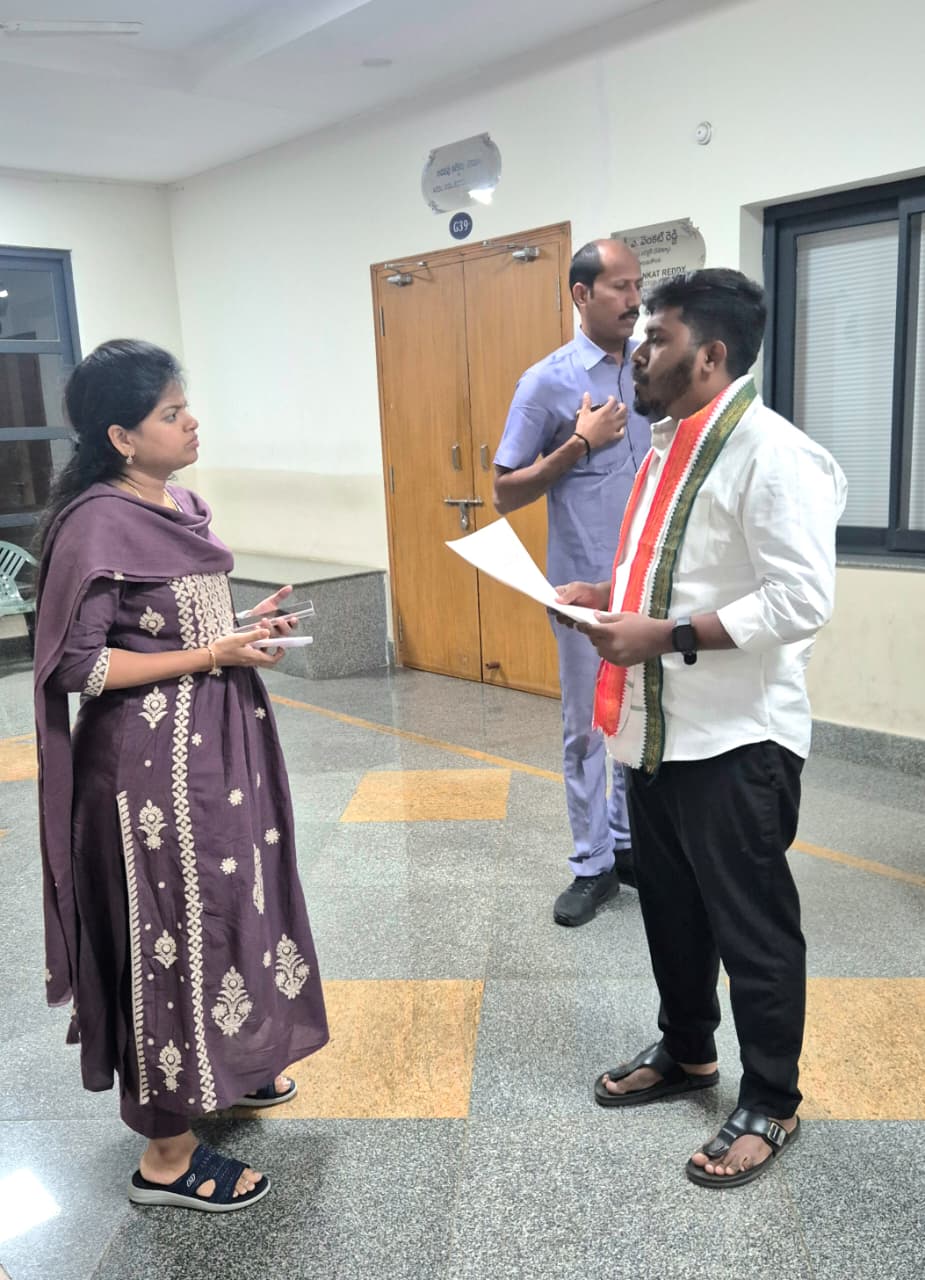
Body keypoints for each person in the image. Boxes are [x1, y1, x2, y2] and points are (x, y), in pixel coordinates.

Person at [554, 269, 846, 1187]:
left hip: (736, 740)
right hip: (658, 730)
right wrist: (606, 594)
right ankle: (687, 1051)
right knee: (672, 911)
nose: (637, 353)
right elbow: (671, 568)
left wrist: (666, 635)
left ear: (710, 355)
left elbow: (799, 600)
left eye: (657, 340)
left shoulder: (773, 454)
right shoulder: (665, 448)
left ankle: (772, 1100)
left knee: (752, 927)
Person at [33, 339, 329, 1212]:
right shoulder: (95, 523)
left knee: (231, 907)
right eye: (170, 412)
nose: (191, 421)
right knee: (168, 931)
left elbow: (167, 622)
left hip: (216, 749)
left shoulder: (179, 505)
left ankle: (224, 1064)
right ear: (122, 437)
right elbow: (79, 666)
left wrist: (242, 628)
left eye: (184, 404)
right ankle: (166, 1156)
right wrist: (211, 654)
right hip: (147, 774)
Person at [493, 239, 652, 927]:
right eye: (619, 287)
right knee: (588, 726)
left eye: (637, 286)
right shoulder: (545, 382)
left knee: (638, 716)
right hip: (581, 589)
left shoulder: (651, 369)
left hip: (644, 581)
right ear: (581, 295)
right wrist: (579, 444)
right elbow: (504, 491)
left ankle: (626, 844)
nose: (633, 300)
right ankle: (591, 864)